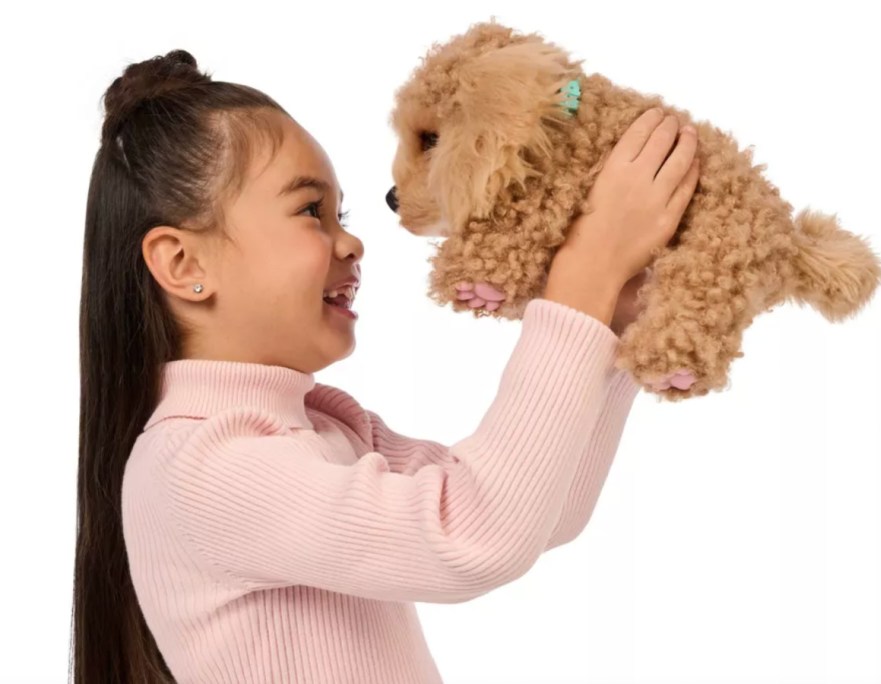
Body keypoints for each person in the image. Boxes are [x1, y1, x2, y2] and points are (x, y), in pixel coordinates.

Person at [70, 49, 699, 684]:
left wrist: (613, 325)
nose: (351, 241)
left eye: (339, 214)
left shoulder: (326, 430)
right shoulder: (200, 466)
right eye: (310, 210)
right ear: (184, 265)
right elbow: (472, 536)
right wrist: (583, 276)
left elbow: (544, 511)